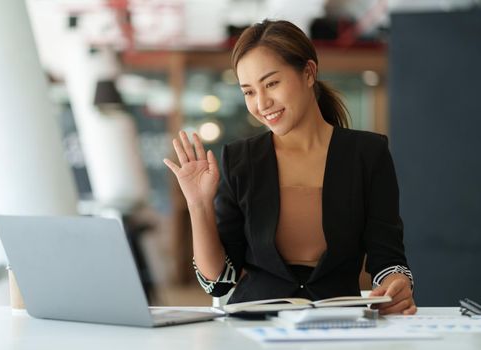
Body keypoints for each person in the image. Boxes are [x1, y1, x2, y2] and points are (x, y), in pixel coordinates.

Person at [163, 19, 416, 315]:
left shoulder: (367, 153)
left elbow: (387, 255)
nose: (262, 103)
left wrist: (397, 281)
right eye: (249, 92)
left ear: (308, 73)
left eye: (271, 83)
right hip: (255, 326)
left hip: (337, 323)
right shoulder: (240, 159)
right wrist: (199, 204)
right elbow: (218, 283)